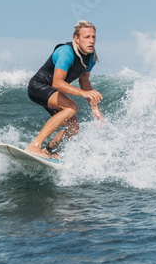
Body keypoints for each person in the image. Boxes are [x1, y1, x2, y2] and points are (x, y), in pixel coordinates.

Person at [25, 21, 104, 160]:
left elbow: (84, 81)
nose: (91, 41)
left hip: (53, 93)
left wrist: (94, 107)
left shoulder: (90, 57)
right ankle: (34, 146)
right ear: (76, 38)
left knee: (73, 128)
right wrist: (84, 93)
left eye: (93, 37)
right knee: (71, 107)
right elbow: (57, 83)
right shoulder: (66, 51)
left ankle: (49, 150)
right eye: (87, 37)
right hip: (38, 87)